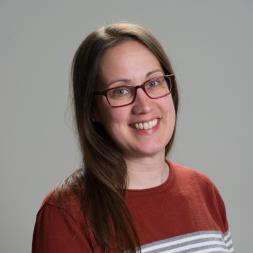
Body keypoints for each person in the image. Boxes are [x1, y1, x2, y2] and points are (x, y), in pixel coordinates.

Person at [32, 22, 234, 253]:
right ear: (93, 110)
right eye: (120, 90)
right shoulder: (66, 213)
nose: (144, 105)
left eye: (154, 82)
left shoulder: (204, 190)